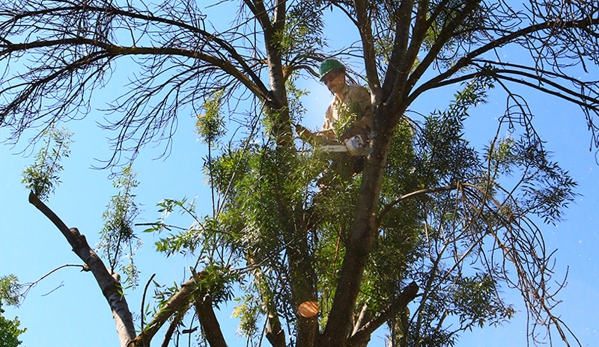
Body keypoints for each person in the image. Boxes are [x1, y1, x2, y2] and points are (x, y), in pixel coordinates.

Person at [296, 58, 373, 180]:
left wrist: (362, 124)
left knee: (348, 128)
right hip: (343, 154)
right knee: (326, 182)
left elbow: (372, 111)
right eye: (325, 82)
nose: (329, 84)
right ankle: (302, 179)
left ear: (342, 75)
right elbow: (328, 134)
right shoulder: (330, 110)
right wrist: (315, 136)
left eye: (331, 79)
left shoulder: (356, 92)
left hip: (362, 146)